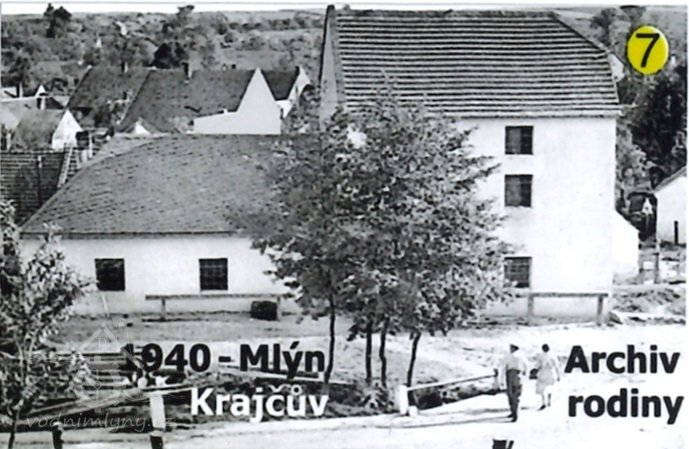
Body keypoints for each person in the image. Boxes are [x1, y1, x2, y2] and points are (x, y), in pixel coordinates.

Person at [500, 344, 527, 422]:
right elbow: (526, 366)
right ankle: (515, 412)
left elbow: (503, 366)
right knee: (517, 394)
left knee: (511, 394)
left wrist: (501, 379)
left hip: (510, 374)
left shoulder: (509, 356)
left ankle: (513, 412)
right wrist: (525, 375)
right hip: (519, 374)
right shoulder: (522, 356)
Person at [534, 343, 561, 410]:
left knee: (542, 389)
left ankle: (544, 403)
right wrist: (558, 375)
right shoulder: (553, 356)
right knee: (550, 388)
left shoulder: (541, 356)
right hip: (551, 373)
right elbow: (556, 366)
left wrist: (535, 371)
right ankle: (549, 401)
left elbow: (538, 365)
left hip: (543, 373)